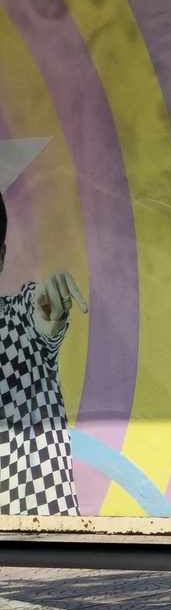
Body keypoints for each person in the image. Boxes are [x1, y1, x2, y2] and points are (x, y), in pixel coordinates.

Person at [0, 192, 87, 516]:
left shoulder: (17, 320)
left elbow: (39, 316)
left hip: (39, 540)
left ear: (2, 256)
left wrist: (50, 309)